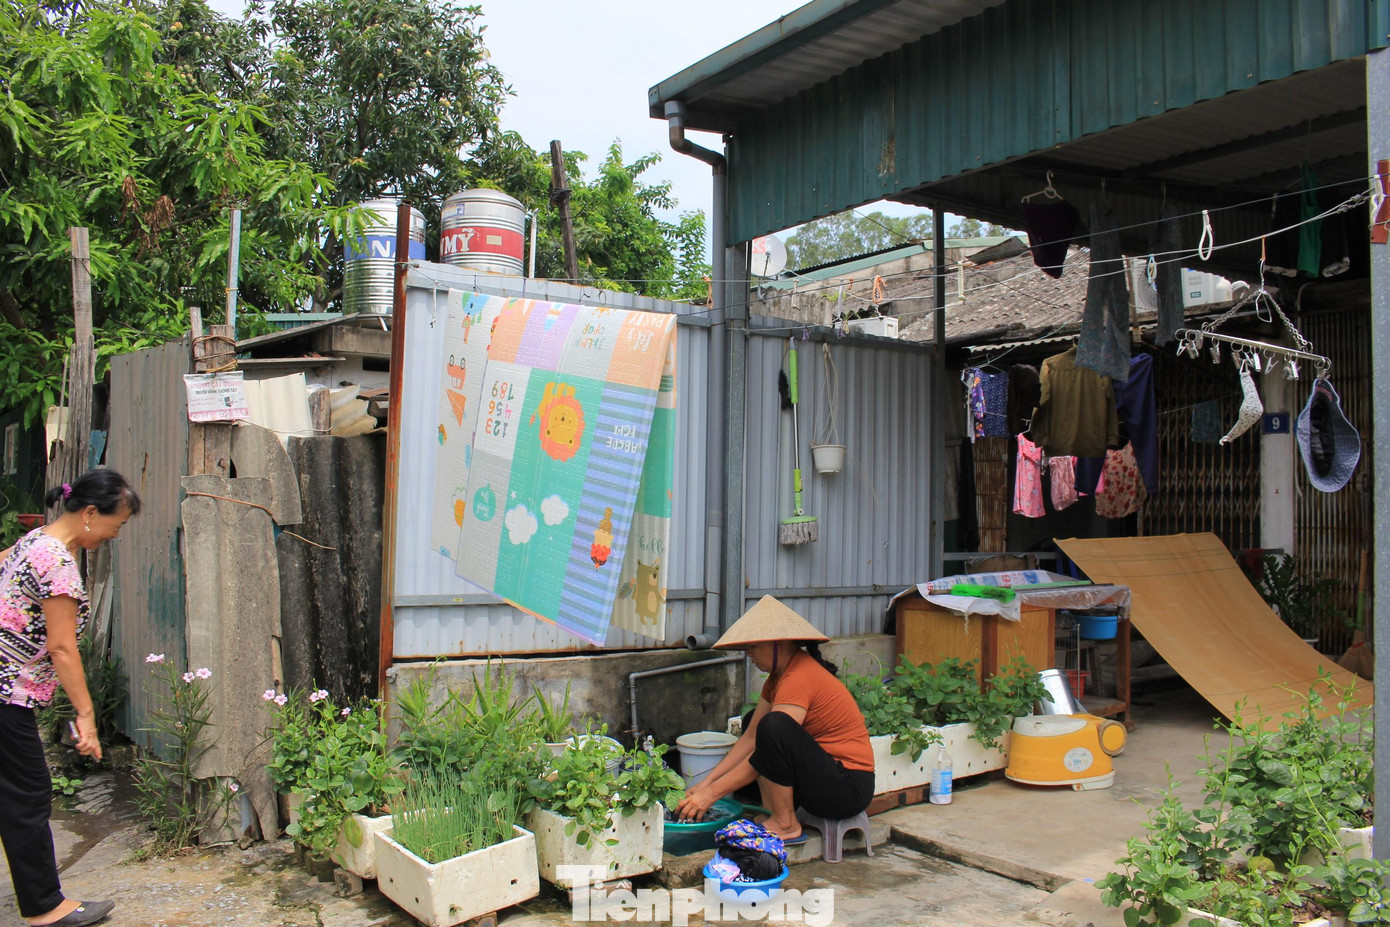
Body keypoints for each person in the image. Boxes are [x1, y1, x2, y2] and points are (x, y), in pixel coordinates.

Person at [0, 469, 140, 927]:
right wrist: (86, 715)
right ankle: (44, 908)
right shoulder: (57, 563)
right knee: (28, 796)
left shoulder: (34, 540)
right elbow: (62, 648)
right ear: (90, 513)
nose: (115, 534)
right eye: (115, 525)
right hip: (8, 694)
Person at [675, 596, 874, 842]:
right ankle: (775, 812)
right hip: (822, 777)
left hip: (847, 788)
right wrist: (706, 783)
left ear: (779, 643)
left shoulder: (799, 676)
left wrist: (711, 794)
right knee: (753, 723)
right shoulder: (778, 677)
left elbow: (774, 742)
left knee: (774, 726)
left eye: (754, 647)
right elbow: (750, 738)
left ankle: (785, 822)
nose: (749, 654)